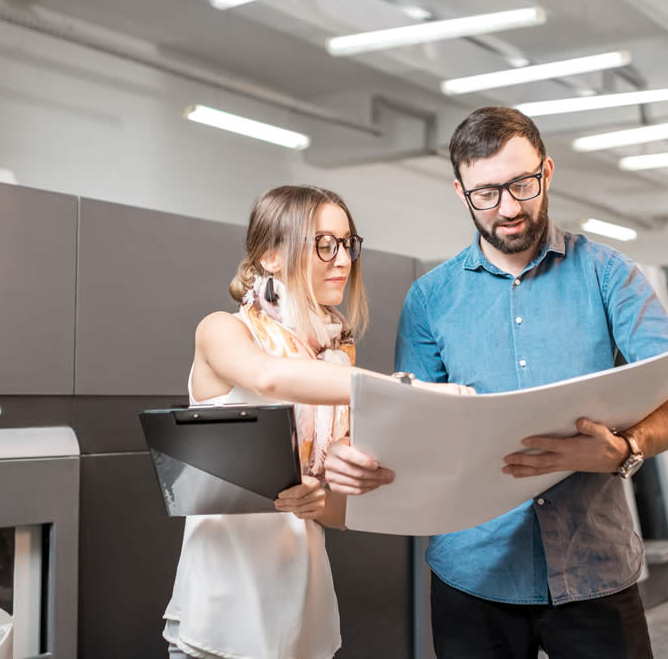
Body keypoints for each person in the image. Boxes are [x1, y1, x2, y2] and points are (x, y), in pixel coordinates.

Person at [326, 107, 668, 659]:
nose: (508, 208)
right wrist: (357, 454)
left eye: (521, 184)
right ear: (461, 193)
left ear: (547, 172)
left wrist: (626, 448)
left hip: (594, 569)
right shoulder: (430, 299)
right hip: (473, 575)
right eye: (487, 192)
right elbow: (413, 426)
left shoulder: (609, 274)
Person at [163, 185, 461, 659]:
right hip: (220, 614)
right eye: (324, 244)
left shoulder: (336, 362)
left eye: (347, 243)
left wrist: (325, 495)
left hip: (302, 614)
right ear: (271, 256)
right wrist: (411, 389)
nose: (342, 259)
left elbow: (338, 512)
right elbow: (270, 378)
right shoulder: (223, 330)